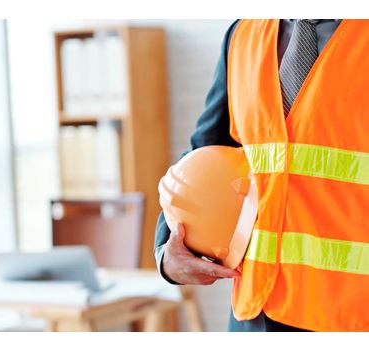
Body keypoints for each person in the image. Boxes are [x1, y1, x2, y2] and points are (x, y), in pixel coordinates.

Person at [154, 19, 369, 332]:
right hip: (255, 316)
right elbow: (206, 151)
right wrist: (168, 250)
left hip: (350, 319)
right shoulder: (242, 34)